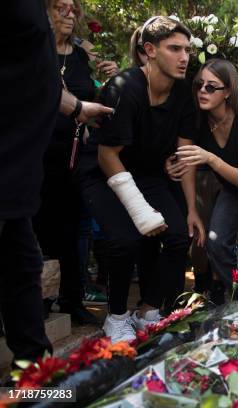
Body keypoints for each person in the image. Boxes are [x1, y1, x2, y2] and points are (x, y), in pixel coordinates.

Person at [78, 16, 203, 343]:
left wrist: (190, 207)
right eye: (174, 48)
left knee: (178, 236)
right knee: (126, 239)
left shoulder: (183, 95)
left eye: (187, 50)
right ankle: (117, 317)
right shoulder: (124, 87)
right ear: (149, 50)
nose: (184, 57)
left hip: (148, 175)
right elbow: (107, 155)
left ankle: (147, 309)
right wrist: (139, 211)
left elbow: (185, 154)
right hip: (105, 173)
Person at [2, 0, 112, 364]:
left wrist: (79, 109)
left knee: (23, 265)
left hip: (20, 172)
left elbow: (37, 78)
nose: (68, 12)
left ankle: (34, 377)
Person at [32, 0, 119, 325]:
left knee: (75, 230)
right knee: (39, 228)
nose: (69, 15)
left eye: (72, 9)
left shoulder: (83, 54)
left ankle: (72, 297)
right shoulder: (35, 51)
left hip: (75, 155)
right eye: (60, 8)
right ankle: (39, 300)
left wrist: (108, 80)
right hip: (38, 153)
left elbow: (92, 101)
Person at [167, 59, 238, 305]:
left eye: (211, 87)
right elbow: (186, 162)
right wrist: (192, 211)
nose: (203, 91)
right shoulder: (199, 120)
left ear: (227, 91)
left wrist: (210, 158)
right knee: (215, 246)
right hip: (231, 191)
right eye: (199, 85)